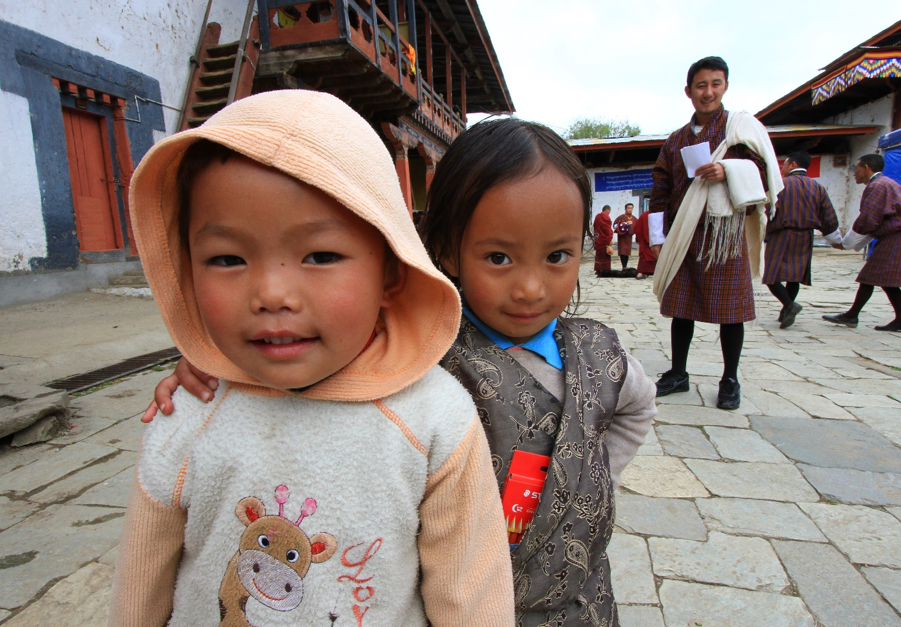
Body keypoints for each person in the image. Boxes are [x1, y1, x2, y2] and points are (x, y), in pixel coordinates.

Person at [149, 117, 658, 626]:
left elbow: (637, 407)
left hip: (576, 592)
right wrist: (218, 363)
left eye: (557, 256)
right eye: (499, 257)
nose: (530, 287)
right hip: (457, 582)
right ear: (446, 249)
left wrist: (593, 476)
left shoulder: (598, 355)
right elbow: (310, 352)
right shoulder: (413, 349)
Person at [109, 91, 515, 626]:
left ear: (391, 270)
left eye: (320, 256)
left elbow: (471, 593)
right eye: (227, 258)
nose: (272, 293)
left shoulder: (434, 419)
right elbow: (139, 591)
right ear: (186, 270)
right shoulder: (188, 414)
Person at [648, 56, 782, 410]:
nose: (708, 92)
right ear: (689, 91)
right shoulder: (674, 141)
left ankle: (730, 378)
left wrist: (729, 170)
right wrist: (659, 238)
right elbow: (660, 189)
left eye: (716, 84)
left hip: (725, 236)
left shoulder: (738, 130)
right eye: (701, 85)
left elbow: (764, 170)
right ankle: (678, 373)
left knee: (731, 312)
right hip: (685, 233)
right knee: (680, 307)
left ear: (725, 86)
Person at [822, 153, 901, 332]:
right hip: (898, 235)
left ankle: (852, 316)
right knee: (884, 280)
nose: (854, 173)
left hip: (897, 237)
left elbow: (868, 220)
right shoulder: (887, 183)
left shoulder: (878, 186)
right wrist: (852, 243)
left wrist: (846, 243)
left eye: (855, 168)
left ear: (866, 167)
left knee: (870, 276)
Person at [763, 151, 840, 328]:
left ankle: (790, 305)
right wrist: (833, 237)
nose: (782, 168)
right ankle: (785, 312)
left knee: (770, 275)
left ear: (793, 165)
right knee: (794, 276)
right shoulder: (817, 187)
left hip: (782, 234)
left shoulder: (780, 185)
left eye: (785, 164)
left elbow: (767, 211)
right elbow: (829, 216)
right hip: (805, 236)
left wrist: (763, 229)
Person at [631, 208, 657, 278]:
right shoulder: (659, 214)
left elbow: (637, 228)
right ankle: (655, 272)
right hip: (656, 239)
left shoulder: (644, 214)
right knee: (654, 255)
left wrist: (641, 237)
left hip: (646, 241)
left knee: (645, 256)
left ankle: (642, 273)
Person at [613, 202, 637, 270]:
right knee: (622, 251)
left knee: (627, 252)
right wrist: (623, 225)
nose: (630, 209)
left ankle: (625, 265)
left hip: (629, 238)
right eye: (628, 208)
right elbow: (615, 225)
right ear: (625, 209)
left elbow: (637, 227)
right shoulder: (621, 217)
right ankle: (624, 266)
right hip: (622, 237)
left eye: (631, 208)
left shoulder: (634, 218)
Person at [593, 204, 614, 275]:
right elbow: (607, 229)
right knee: (605, 255)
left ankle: (598, 269)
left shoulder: (597, 216)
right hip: (604, 239)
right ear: (607, 210)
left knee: (599, 254)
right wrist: (610, 238)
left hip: (598, 238)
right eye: (609, 211)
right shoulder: (605, 217)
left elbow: (595, 227)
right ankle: (605, 269)